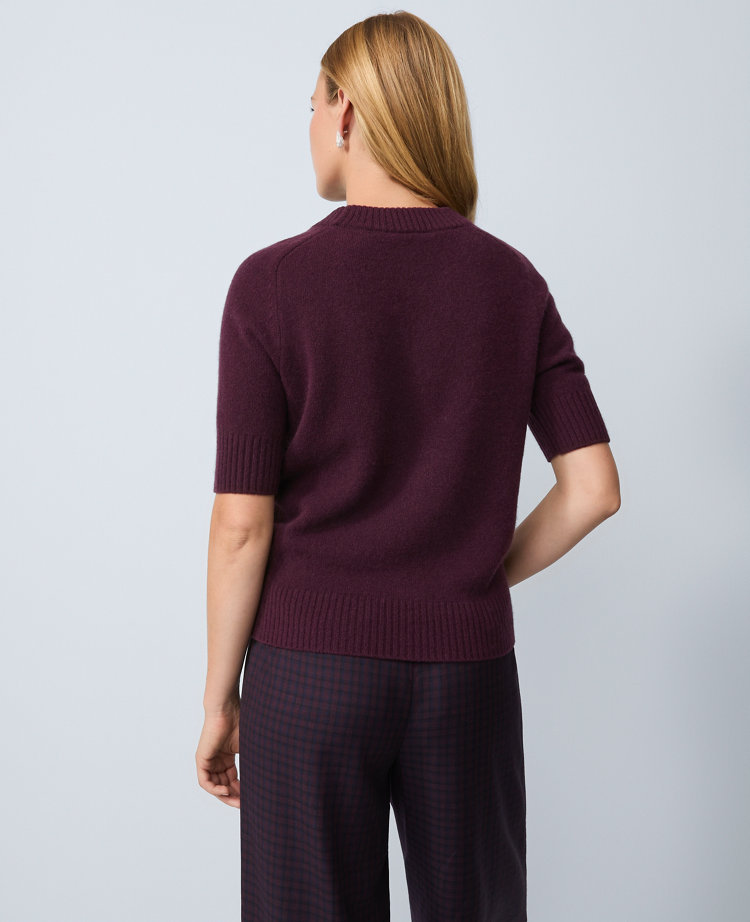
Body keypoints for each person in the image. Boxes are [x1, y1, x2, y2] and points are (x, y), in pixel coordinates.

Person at [195, 10, 620, 922]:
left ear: (346, 110)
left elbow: (240, 527)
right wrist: (468, 575)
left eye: (311, 105)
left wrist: (220, 701)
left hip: (308, 672)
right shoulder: (513, 282)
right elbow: (593, 489)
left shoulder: (270, 285)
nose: (310, 125)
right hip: (467, 674)